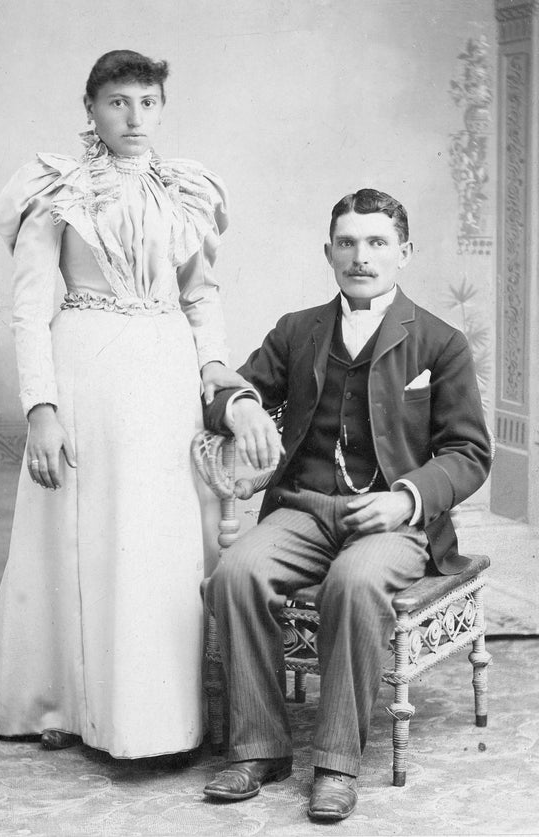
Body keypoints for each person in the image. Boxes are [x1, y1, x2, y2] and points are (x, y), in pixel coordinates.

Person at [0, 50, 245, 759]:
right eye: (118, 101)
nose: (134, 117)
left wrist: (212, 362)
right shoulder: (57, 190)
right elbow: (31, 310)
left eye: (148, 102)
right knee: (77, 531)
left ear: (162, 108)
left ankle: (156, 716)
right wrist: (41, 406)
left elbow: (201, 293)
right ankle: (62, 699)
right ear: (91, 109)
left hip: (164, 372)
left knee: (156, 536)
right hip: (85, 369)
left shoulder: (183, 191)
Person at [202, 188, 492, 821]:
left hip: (393, 521)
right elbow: (227, 393)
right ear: (329, 251)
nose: (362, 256)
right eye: (348, 243)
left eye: (378, 242)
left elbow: (469, 453)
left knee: (356, 582)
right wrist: (242, 405)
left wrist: (405, 500)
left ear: (404, 252)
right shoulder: (298, 329)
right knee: (236, 574)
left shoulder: (439, 343)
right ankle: (258, 748)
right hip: (306, 508)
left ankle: (336, 762)